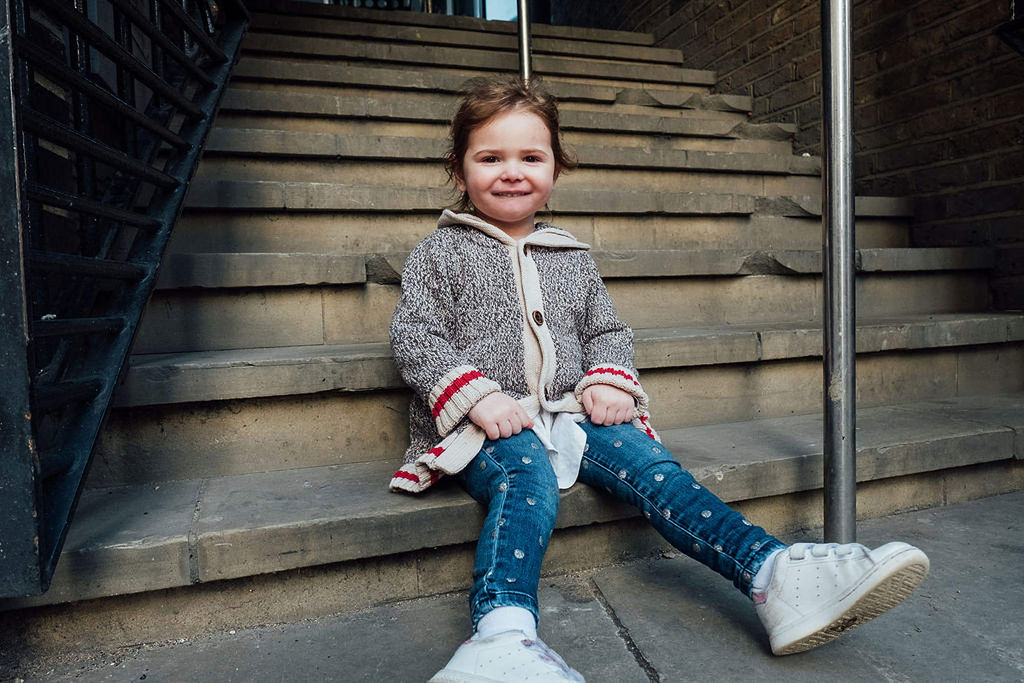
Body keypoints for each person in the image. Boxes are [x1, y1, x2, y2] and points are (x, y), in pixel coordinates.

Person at [388, 76, 929, 682]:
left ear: (556, 169)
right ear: (459, 171)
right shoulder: (440, 252)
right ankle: (500, 636)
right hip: (485, 424)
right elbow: (415, 335)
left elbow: (606, 331)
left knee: (649, 463)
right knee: (527, 475)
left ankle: (772, 575)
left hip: (568, 410)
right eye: (490, 158)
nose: (512, 172)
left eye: (531, 158)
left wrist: (608, 380)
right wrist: (477, 396)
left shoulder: (571, 257)